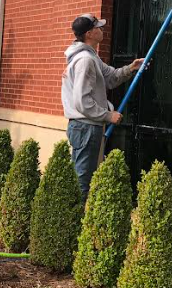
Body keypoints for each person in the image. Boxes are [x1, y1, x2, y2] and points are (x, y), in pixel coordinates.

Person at [61, 13, 144, 199]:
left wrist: (131, 68)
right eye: (98, 27)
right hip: (86, 126)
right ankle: (76, 221)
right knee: (82, 178)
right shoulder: (85, 60)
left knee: (81, 174)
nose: (102, 29)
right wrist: (108, 115)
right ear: (89, 33)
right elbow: (82, 101)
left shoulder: (91, 58)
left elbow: (111, 77)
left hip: (85, 125)